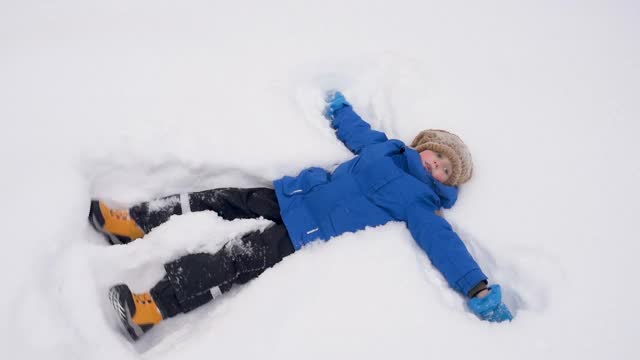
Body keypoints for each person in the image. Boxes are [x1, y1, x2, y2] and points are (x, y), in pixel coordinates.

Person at [91, 92, 513, 341]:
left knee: (232, 259)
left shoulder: (419, 201)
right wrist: (338, 105)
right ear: (425, 143)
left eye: (445, 171)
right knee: (219, 199)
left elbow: (442, 242)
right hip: (290, 193)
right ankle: (134, 222)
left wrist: (476, 287)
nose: (436, 165)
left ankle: (152, 306)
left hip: (305, 231)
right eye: (437, 155)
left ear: (445, 184)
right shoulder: (385, 148)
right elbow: (356, 130)